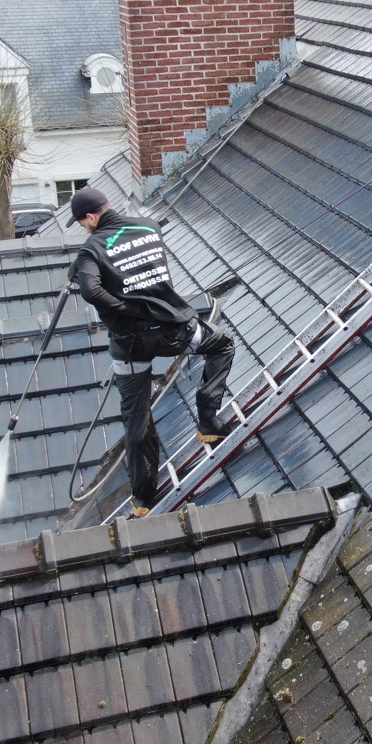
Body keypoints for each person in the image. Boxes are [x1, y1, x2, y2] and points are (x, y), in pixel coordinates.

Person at [69, 186, 235, 506]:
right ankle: (209, 423)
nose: (84, 229)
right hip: (175, 331)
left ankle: (144, 498)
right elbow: (148, 229)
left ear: (90, 217)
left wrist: (121, 306)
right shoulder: (148, 227)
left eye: (82, 223)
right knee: (222, 344)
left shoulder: (91, 250)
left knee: (136, 416)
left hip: (129, 346)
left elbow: (90, 290)